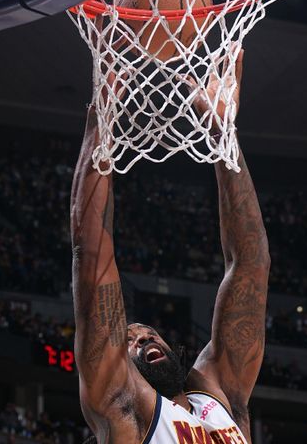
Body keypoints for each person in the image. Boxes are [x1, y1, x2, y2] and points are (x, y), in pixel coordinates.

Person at [70, 53, 269, 443]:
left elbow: (250, 264)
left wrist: (223, 136)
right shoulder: (126, 410)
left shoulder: (219, 396)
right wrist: (100, 126)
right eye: (128, 341)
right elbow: (90, 258)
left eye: (149, 334)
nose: (143, 338)